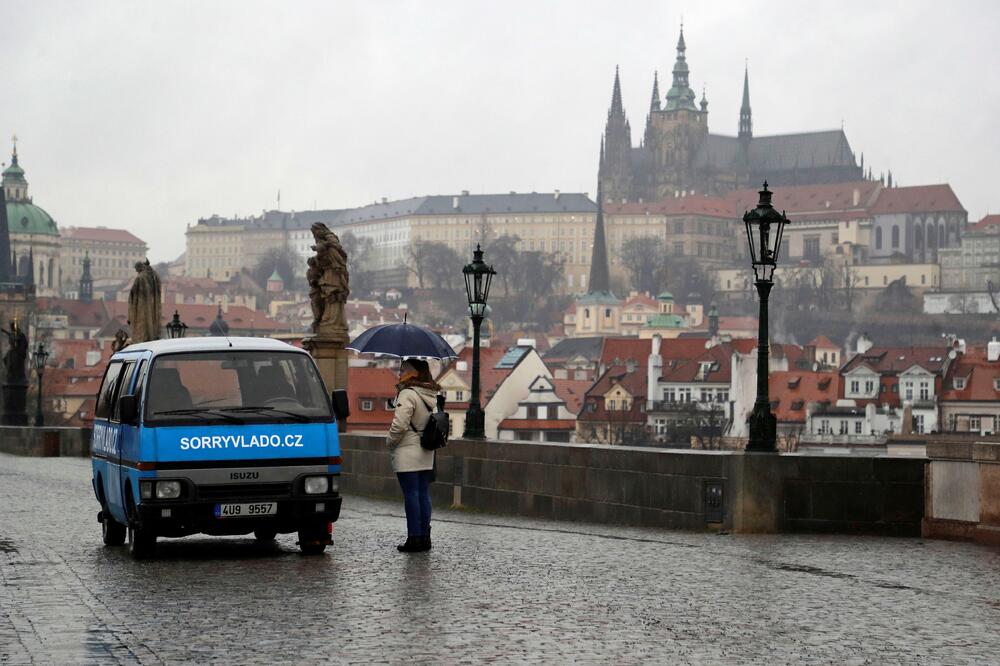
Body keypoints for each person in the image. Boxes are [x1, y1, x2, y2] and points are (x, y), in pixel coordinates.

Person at [386, 358, 440, 553]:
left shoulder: (408, 393)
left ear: (413, 373)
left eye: (403, 370)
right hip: (426, 450)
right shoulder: (430, 393)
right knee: (423, 494)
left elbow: (399, 425)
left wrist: (390, 441)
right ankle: (425, 537)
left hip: (407, 450)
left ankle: (414, 538)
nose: (400, 373)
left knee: (411, 495)